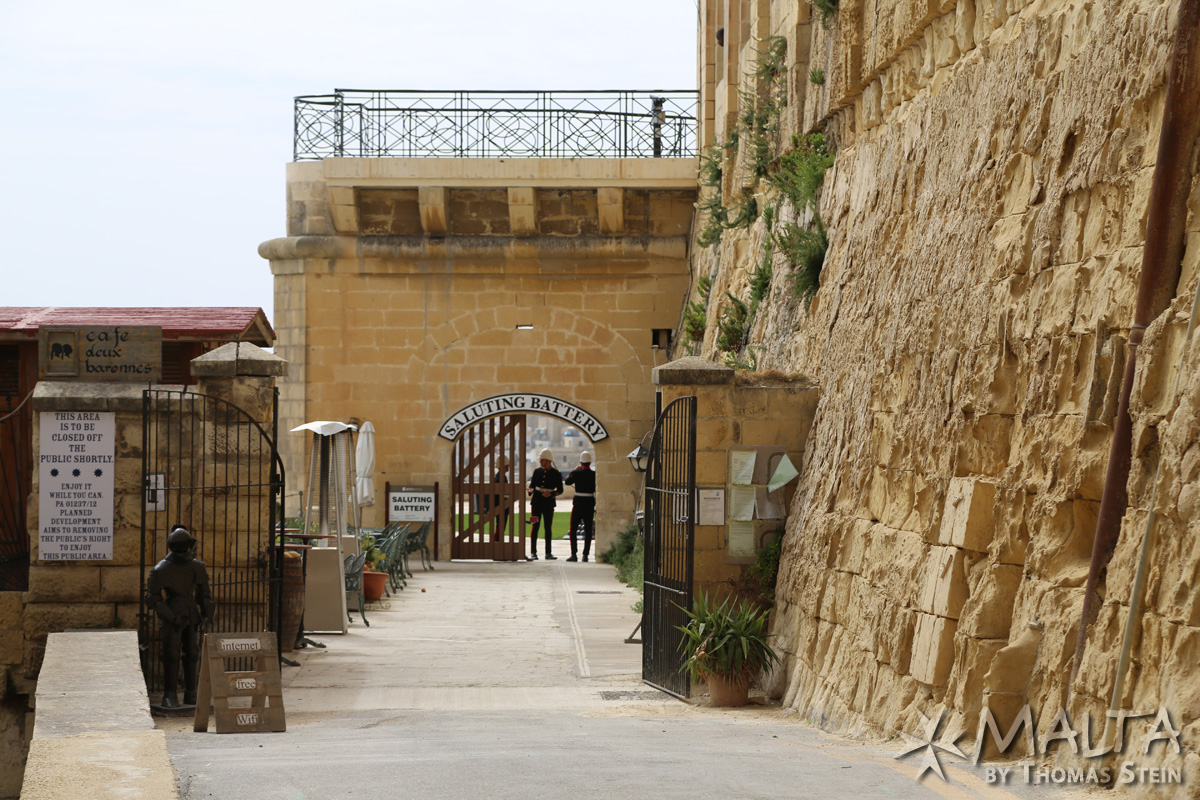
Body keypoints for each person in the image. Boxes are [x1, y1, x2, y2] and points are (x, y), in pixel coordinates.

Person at [145, 525, 215, 708]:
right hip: (172, 612)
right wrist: (170, 617)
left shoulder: (197, 567)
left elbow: (204, 594)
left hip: (190, 612)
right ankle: (170, 694)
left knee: (193, 653)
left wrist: (207, 613)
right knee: (171, 654)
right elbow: (153, 598)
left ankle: (191, 692)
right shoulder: (161, 569)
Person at [527, 448, 563, 560]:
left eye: (542, 460)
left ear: (548, 460)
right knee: (535, 527)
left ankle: (548, 553)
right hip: (536, 502)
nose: (540, 461)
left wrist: (551, 494)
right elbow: (532, 485)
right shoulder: (537, 472)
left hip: (548, 503)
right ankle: (533, 552)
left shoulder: (556, 474)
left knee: (548, 527)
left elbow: (560, 490)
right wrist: (531, 490)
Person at [565, 451, 596, 562]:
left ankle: (574, 554)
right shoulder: (594, 474)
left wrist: (573, 471)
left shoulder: (576, 473)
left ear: (581, 462)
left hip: (578, 503)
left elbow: (567, 482)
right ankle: (585, 555)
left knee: (573, 529)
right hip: (589, 503)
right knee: (588, 530)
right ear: (590, 462)